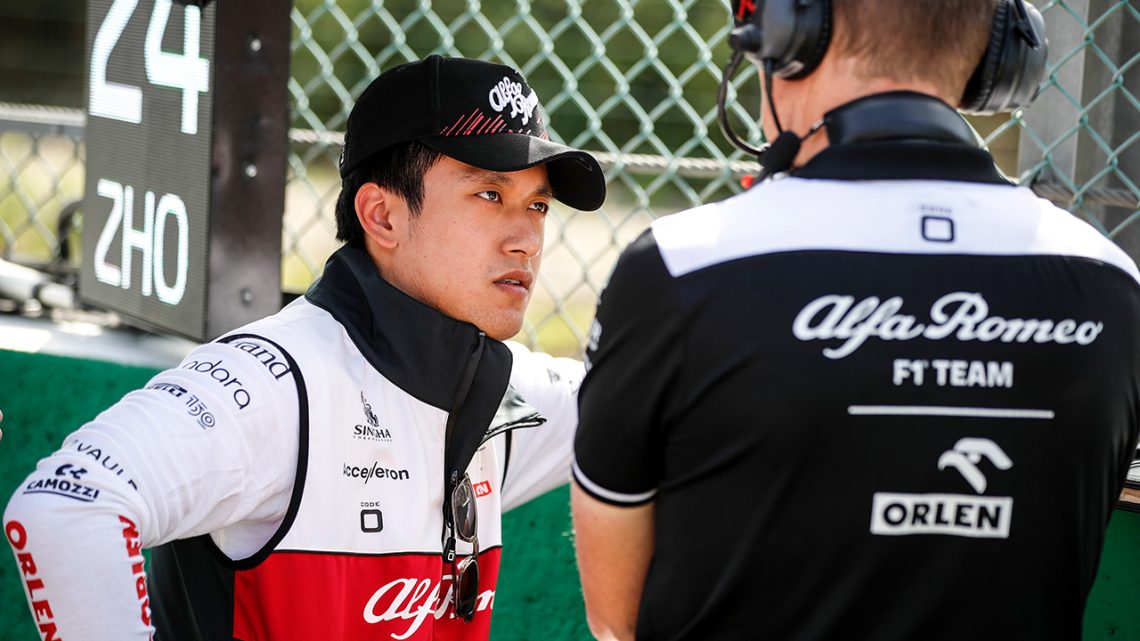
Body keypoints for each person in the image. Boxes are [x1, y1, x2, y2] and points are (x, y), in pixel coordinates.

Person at [571, 1, 1140, 640]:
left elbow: (617, 617)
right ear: (1004, 55)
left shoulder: (683, 264)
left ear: (789, 30)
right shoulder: (1111, 282)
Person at [4, 54, 606, 640]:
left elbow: (641, 408)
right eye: (490, 195)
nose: (527, 239)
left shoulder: (501, 391)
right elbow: (65, 507)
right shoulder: (272, 382)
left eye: (538, 205)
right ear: (382, 215)